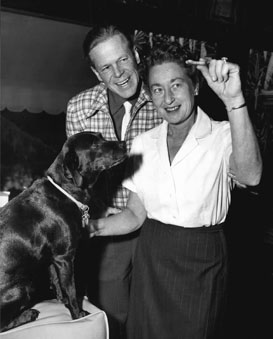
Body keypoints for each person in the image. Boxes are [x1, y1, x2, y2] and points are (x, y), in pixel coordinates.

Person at [88, 40, 263, 339]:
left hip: (201, 260)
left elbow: (251, 175)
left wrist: (234, 101)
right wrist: (87, 226)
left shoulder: (222, 134)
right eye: (157, 89)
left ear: (195, 86)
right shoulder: (144, 143)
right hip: (151, 257)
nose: (167, 98)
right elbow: (133, 214)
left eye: (176, 85)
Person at [65, 24, 162, 339]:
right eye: (106, 67)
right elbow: (79, 178)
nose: (119, 73)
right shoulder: (79, 109)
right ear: (96, 73)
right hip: (109, 233)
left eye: (123, 60)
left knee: (155, 318)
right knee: (112, 319)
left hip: (160, 229)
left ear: (135, 55)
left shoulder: (164, 100)